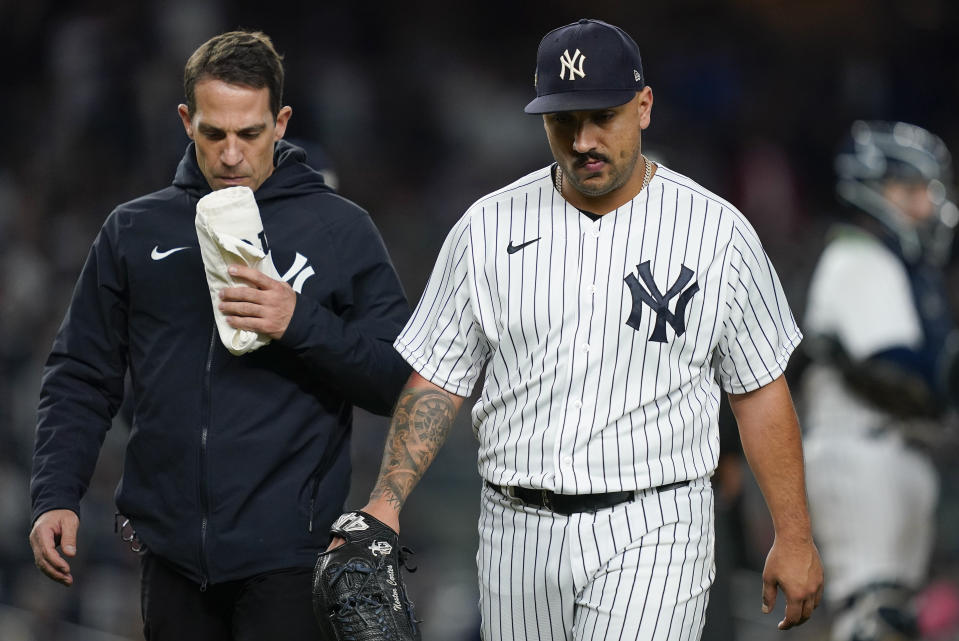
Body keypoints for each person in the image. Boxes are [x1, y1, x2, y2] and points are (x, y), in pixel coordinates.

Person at [336, 19, 823, 640]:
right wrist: (386, 500)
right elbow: (439, 377)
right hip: (515, 527)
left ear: (643, 107)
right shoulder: (486, 228)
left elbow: (758, 389)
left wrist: (794, 533)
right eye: (563, 121)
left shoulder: (715, 232)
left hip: (657, 522)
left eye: (603, 117)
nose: (583, 140)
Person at [29, 30, 411, 640]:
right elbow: (81, 373)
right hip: (170, 556)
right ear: (187, 120)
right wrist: (55, 494)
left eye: (250, 133)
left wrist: (299, 322)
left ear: (281, 122)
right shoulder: (133, 229)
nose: (231, 155)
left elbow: (398, 378)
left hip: (290, 556)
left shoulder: (340, 228)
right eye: (214, 133)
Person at [801, 120, 959, 641]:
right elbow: (897, 373)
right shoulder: (859, 256)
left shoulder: (893, 265)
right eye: (911, 190)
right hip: (861, 452)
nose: (926, 206)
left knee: (894, 614)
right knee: (872, 616)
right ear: (873, 191)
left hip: (891, 451)